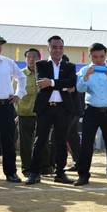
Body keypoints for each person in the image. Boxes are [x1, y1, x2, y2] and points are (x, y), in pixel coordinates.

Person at [26, 35, 77, 185]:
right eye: (54, 47)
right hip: (45, 108)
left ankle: (60, 173)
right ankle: (34, 173)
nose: (57, 50)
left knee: (61, 142)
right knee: (39, 141)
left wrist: (52, 82)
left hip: (63, 108)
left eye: (60, 47)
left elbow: (72, 82)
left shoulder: (70, 66)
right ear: (48, 48)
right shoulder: (41, 64)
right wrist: (61, 85)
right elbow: (42, 83)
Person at [73, 43, 107, 186]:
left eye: (101, 56)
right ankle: (83, 175)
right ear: (90, 56)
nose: (98, 60)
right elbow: (79, 88)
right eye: (95, 57)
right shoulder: (84, 70)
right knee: (87, 144)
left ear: (105, 55)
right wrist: (87, 76)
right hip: (91, 111)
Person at [0, 32, 26, 183]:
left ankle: (11, 173)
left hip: (6, 105)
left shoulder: (7, 62)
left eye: (0, 43)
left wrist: (19, 94)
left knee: (8, 140)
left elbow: (21, 77)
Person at [15, 48, 41, 176]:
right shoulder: (20, 75)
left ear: (39, 58)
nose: (32, 59)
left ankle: (42, 167)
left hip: (41, 115)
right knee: (25, 144)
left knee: (42, 143)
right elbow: (13, 96)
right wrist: (16, 113)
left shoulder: (44, 74)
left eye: (34, 57)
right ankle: (26, 168)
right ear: (25, 59)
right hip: (25, 114)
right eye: (29, 57)